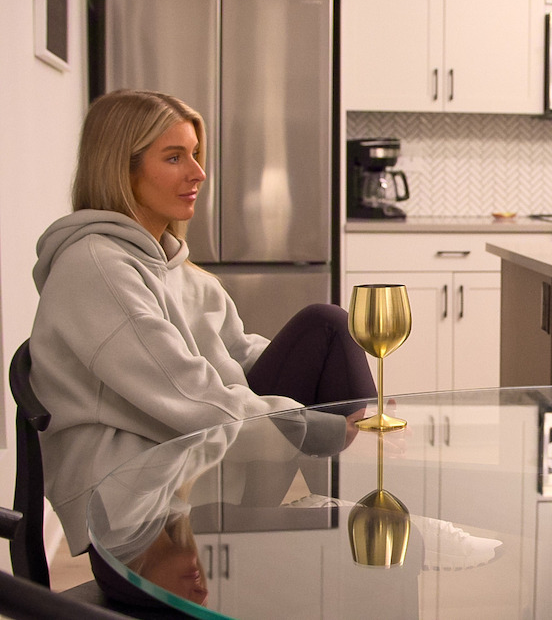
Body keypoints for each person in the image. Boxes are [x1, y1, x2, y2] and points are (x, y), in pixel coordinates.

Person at [28, 89, 375, 570]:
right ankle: (366, 515)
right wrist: (319, 428)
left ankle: (366, 510)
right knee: (369, 561)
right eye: (174, 157)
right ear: (120, 169)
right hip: (146, 513)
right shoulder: (97, 268)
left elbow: (236, 351)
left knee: (326, 326)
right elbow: (189, 395)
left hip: (199, 467)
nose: (198, 172)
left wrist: (325, 394)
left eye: (194, 154)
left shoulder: (174, 266)